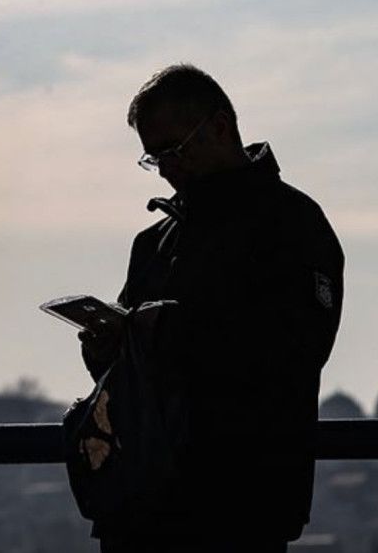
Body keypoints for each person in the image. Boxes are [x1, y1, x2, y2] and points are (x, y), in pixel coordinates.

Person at [76, 64, 345, 552]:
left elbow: (297, 349)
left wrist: (162, 331)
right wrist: (107, 350)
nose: (165, 168)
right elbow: (131, 372)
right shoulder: (152, 243)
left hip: (236, 506)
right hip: (144, 506)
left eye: (172, 150)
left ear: (220, 127)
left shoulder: (291, 224)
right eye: (153, 158)